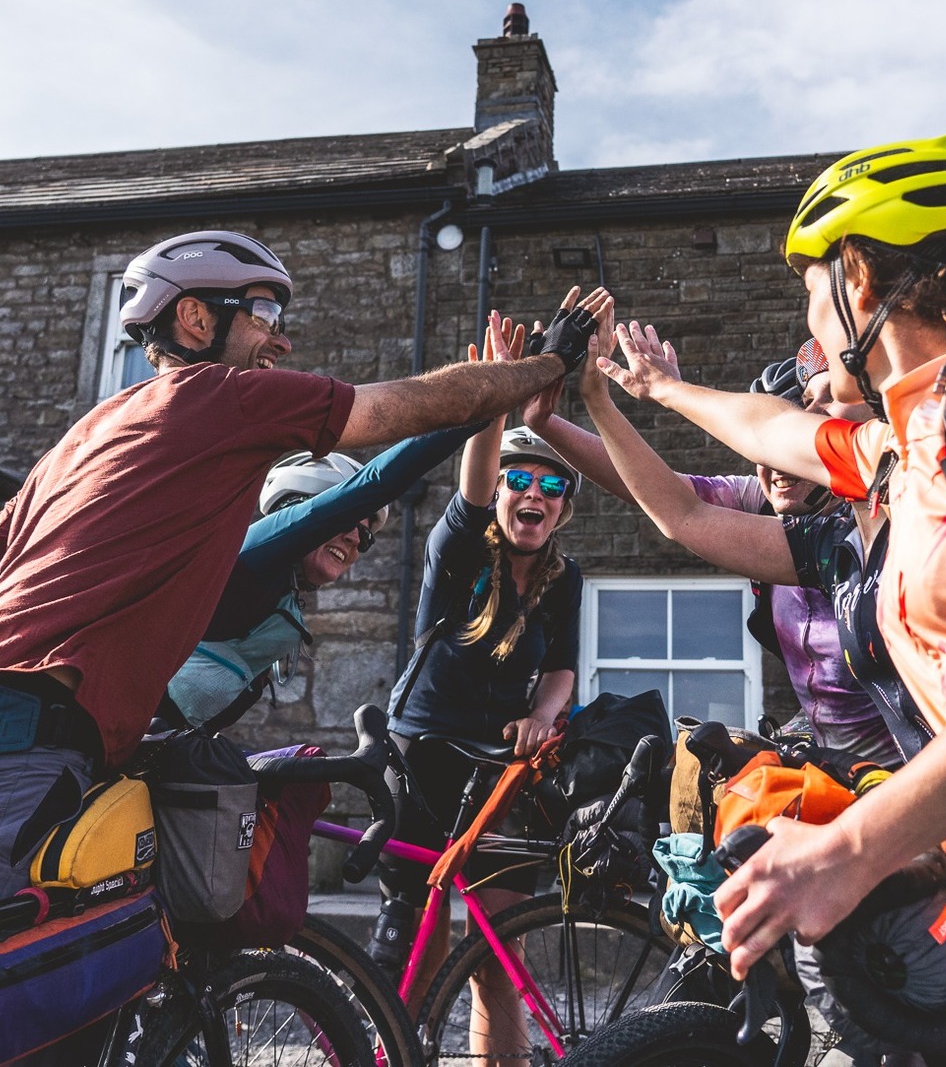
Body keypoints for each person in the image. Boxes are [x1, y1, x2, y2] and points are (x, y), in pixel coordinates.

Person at [597, 132, 946, 1059]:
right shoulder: (904, 454)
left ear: (856, 278)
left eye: (809, 291)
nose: (812, 321)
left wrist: (853, 845)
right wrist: (654, 390)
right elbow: (770, 427)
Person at [0, 227, 606, 901]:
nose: (281, 340)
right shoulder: (218, 397)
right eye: (264, 316)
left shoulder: (88, 434)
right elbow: (394, 429)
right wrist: (541, 369)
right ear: (196, 318)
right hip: (33, 733)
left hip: (65, 735)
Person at [524, 326, 897, 764]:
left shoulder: (873, 525)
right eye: (764, 456)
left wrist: (662, 390)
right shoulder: (765, 505)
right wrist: (545, 423)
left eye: (819, 409)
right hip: (837, 759)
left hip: (907, 771)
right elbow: (662, 495)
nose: (777, 467)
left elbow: (682, 514)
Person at [382, 332, 585, 1061]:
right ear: (500, 489)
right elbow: (470, 491)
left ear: (564, 507)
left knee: (500, 955)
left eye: (553, 486)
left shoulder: (566, 580)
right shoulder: (460, 547)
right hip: (427, 753)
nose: (534, 494)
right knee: (419, 950)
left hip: (502, 764)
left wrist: (541, 715)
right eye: (519, 481)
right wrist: (497, 390)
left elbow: (561, 666)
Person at [161, 428, 478, 730]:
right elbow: (376, 482)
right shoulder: (250, 555)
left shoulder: (277, 596)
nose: (356, 538)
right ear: (295, 512)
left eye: (366, 536)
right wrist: (477, 404)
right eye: (345, 519)